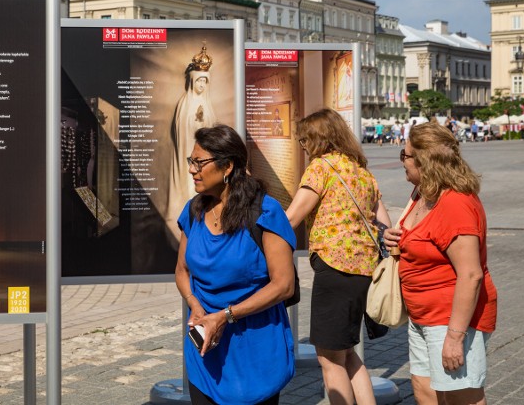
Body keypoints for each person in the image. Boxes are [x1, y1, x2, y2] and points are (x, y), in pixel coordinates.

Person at [175, 124, 296, 404]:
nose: (192, 169)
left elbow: (284, 285)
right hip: (205, 354)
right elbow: (182, 271)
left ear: (227, 166)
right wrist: (194, 303)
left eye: (199, 162)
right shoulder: (194, 210)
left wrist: (226, 315)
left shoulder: (265, 211)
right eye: (191, 161)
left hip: (255, 351)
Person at [383, 122, 497, 405]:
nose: (402, 161)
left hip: (450, 319)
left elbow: (471, 275)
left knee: (461, 397)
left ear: (425, 160)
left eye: (405, 155)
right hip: (423, 315)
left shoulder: (454, 203)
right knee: (426, 391)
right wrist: (393, 237)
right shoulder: (423, 193)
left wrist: (455, 337)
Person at [285, 108, 392, 405]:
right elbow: (385, 225)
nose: (303, 147)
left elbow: (292, 218)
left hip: (335, 269)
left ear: (318, 139)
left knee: (329, 360)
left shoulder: (321, 168)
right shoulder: (361, 171)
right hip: (365, 271)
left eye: (305, 141)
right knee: (347, 354)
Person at [166, 45, 218, 245]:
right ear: (193, 81)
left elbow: (212, 129)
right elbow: (180, 130)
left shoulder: (207, 104)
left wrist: (203, 123)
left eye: (205, 82)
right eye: (199, 82)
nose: (202, 86)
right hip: (187, 151)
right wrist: (195, 123)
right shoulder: (185, 102)